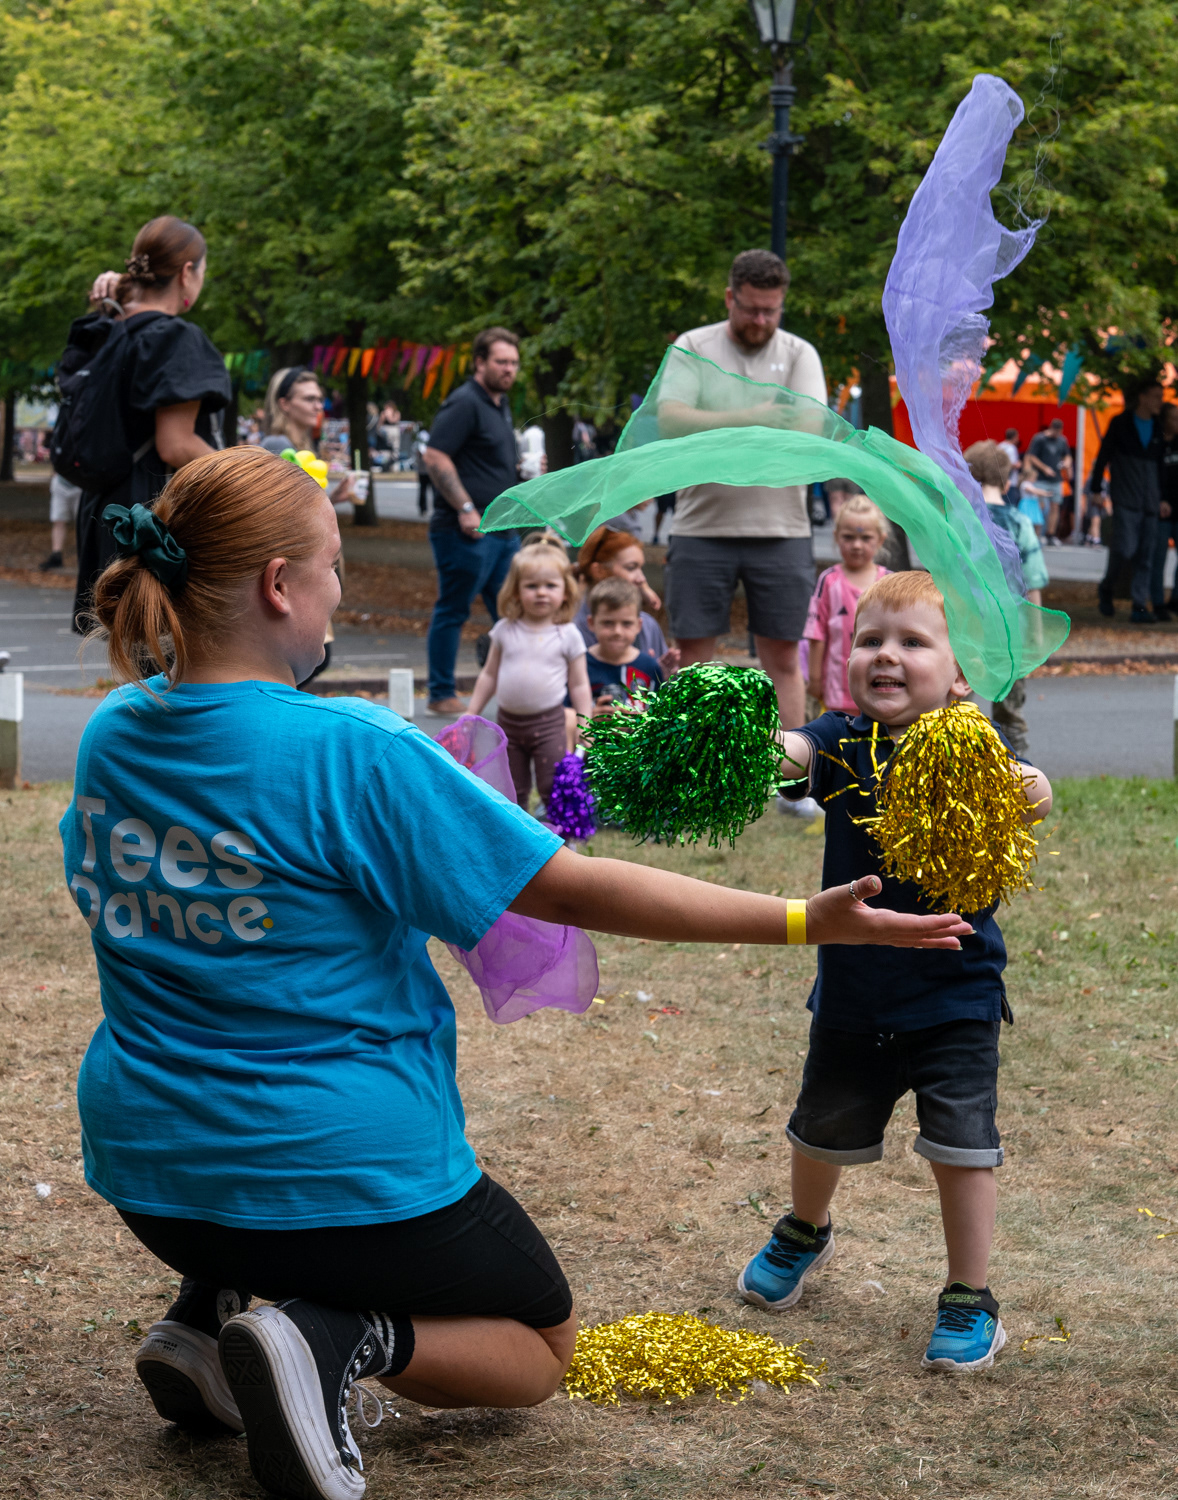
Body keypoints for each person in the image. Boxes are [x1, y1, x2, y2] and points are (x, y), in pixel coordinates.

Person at [64, 445, 972, 1500]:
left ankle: (201, 1311)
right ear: (279, 585)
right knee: (540, 1342)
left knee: (246, 1159)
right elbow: (573, 889)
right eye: (331, 570)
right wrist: (798, 921)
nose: (333, 596)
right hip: (331, 1175)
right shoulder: (347, 747)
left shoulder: (112, 733)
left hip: (151, 1177)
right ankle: (329, 1338)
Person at [738, 569, 1051, 1374]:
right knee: (823, 1129)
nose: (885, 655)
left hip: (958, 989)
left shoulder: (974, 744)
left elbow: (1030, 791)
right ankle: (806, 1228)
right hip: (855, 989)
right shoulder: (844, 739)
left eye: (912, 641)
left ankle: (968, 1295)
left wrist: (1031, 786)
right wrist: (759, 740)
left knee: (963, 1147)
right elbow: (792, 754)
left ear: (958, 673)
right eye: (870, 639)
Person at [655, 248, 827, 730]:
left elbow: (808, 433)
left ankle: (791, 781)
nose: (760, 319)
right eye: (750, 308)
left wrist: (712, 429)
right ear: (729, 297)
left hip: (783, 529)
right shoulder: (694, 345)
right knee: (693, 660)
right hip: (700, 526)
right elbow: (671, 421)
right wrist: (759, 417)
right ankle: (690, 779)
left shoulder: (799, 354)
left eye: (771, 310)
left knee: (783, 659)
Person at [72, 216, 231, 631]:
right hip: (157, 520)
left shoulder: (108, 329)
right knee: (170, 668)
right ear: (187, 272)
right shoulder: (174, 337)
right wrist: (245, 470)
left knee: (137, 668)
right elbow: (176, 445)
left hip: (107, 514)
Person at [424, 327, 525, 712]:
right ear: (479, 362)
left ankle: (520, 691)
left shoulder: (499, 404)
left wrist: (521, 469)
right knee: (454, 608)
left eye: (514, 363)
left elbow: (483, 462)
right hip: (466, 532)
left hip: (503, 529)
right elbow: (435, 455)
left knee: (514, 611)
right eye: (501, 361)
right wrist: (466, 508)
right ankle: (440, 693)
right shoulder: (465, 401)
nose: (509, 369)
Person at [467, 541, 592, 810]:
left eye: (550, 586)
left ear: (565, 591)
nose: (541, 593)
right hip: (509, 723)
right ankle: (520, 843)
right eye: (532, 586)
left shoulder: (567, 634)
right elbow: (489, 675)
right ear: (516, 590)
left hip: (549, 725)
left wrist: (585, 722)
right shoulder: (504, 630)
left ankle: (564, 842)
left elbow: (580, 684)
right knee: (513, 788)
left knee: (552, 785)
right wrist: (472, 711)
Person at [259, 367, 356, 677]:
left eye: (321, 399)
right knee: (303, 659)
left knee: (310, 659)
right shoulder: (277, 444)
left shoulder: (303, 443)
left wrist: (336, 497)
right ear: (284, 403)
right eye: (310, 398)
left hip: (303, 562)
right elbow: (275, 508)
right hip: (293, 565)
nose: (319, 406)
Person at [964, 440, 1048, 754]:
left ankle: (959, 775)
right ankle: (1019, 778)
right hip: (1012, 633)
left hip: (967, 630)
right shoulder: (1021, 523)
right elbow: (1034, 581)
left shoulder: (961, 522)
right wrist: (1036, 635)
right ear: (1007, 481)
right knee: (1010, 712)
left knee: (958, 707)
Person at [802, 496, 891, 716]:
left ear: (880, 540)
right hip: (837, 691)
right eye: (848, 537)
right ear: (836, 537)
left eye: (866, 538)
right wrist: (815, 679)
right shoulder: (829, 581)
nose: (856, 545)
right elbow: (817, 633)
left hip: (880, 690)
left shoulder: (889, 583)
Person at [1090, 378, 1166, 623]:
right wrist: (1095, 489)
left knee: (1146, 554)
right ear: (1142, 397)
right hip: (1125, 497)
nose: (1159, 402)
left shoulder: (1158, 427)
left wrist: (1163, 498)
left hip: (1151, 501)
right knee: (1124, 548)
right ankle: (1107, 588)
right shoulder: (1121, 423)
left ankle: (1139, 605)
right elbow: (1103, 456)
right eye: (1155, 396)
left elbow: (1162, 467)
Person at [572, 524, 679, 675]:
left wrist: (659, 675)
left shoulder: (647, 626)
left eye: (641, 568)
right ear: (599, 571)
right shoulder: (571, 628)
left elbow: (663, 688)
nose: (641, 579)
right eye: (631, 568)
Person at [583, 578, 665, 708]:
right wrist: (591, 717)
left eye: (626, 623)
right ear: (591, 623)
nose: (617, 632)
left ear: (638, 625)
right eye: (608, 623)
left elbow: (661, 714)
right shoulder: (581, 665)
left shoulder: (649, 666)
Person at [1024, 418, 1073, 546]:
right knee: (1041, 506)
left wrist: (1067, 463)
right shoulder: (1040, 439)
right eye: (1056, 432)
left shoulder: (1062, 440)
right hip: (1041, 478)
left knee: (1055, 506)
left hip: (1056, 479)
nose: (1057, 434)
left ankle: (1050, 534)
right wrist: (1044, 468)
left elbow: (1067, 455)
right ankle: (1038, 533)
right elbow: (1032, 456)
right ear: (1052, 429)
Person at [1151, 403, 1178, 620]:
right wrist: (1159, 499)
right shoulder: (1155, 443)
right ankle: (1158, 602)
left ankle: (1175, 600)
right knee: (1158, 558)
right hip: (1161, 509)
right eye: (1174, 418)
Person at [40, 473, 82, 571]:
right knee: (58, 520)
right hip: (61, 483)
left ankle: (85, 555)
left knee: (82, 523)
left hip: (81, 484)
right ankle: (56, 555)